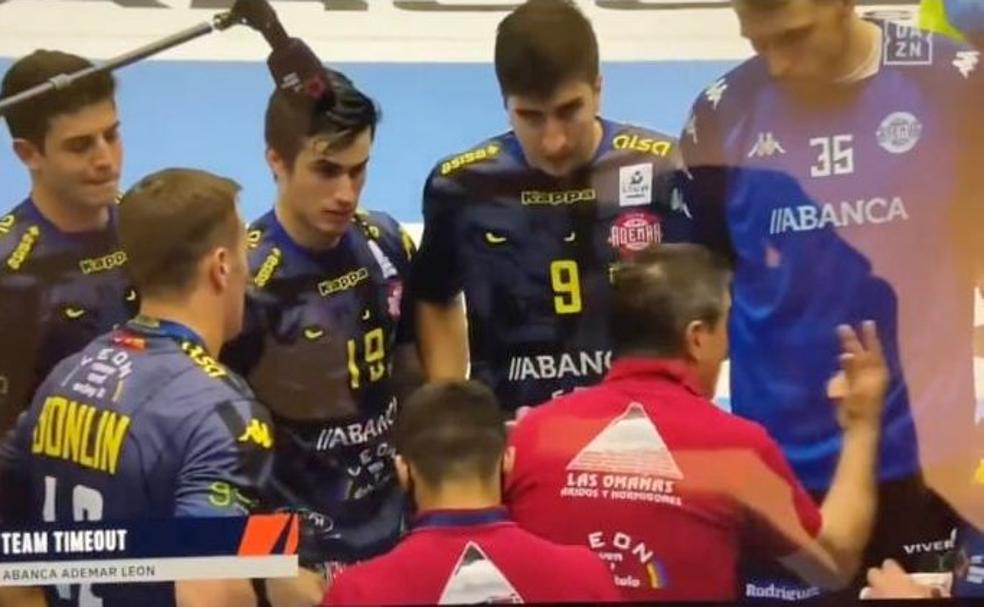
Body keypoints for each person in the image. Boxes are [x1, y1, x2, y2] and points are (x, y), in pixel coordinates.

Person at [678, 0, 984, 595]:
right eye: (757, 42)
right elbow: (695, 287)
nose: (778, 63)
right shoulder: (723, 112)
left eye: (793, 36)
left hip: (927, 470)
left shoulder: (954, 87)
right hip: (777, 478)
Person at [0, 168, 328, 606]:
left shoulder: (65, 377)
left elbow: (18, 557)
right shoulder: (223, 413)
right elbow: (210, 593)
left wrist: (276, 568)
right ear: (222, 266)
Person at [505, 243, 888, 601]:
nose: (728, 340)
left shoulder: (535, 433)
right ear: (697, 337)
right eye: (725, 322)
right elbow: (833, 564)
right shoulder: (734, 449)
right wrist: (863, 423)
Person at [412, 0, 692, 414]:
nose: (554, 142)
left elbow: (709, 299)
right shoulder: (460, 186)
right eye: (531, 116)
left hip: (639, 426)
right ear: (505, 103)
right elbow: (434, 297)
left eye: (569, 111)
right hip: (513, 434)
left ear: (598, 88)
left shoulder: (664, 170)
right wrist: (458, 411)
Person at [221, 67, 420, 576]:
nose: (346, 194)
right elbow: (220, 459)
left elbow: (411, 376)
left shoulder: (386, 241)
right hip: (299, 558)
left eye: (359, 170)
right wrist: (267, 565)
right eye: (327, 170)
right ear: (276, 160)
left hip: (398, 533)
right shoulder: (243, 284)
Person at [323, 380, 621, 605]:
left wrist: (276, 568)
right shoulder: (584, 577)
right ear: (508, 459)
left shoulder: (356, 593)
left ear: (403, 470)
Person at [0, 50, 136, 434]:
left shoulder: (155, 226)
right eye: (80, 146)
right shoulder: (7, 268)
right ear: (29, 154)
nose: (106, 160)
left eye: (111, 135)